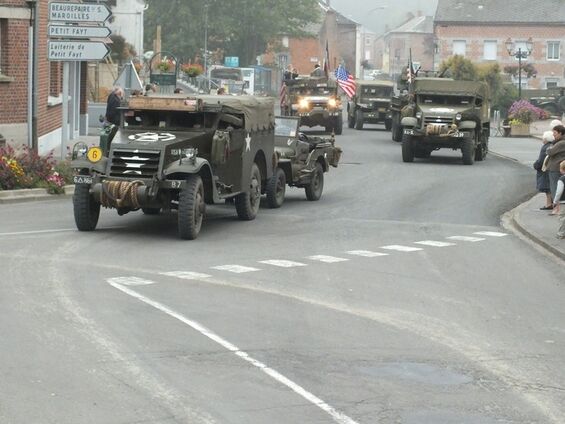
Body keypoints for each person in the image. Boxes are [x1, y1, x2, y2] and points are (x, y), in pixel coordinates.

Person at [533, 130, 554, 210]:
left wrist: (536, 165)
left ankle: (549, 204)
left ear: (546, 139)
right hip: (551, 168)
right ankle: (551, 203)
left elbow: (541, 160)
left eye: (543, 138)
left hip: (545, 170)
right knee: (550, 186)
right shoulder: (552, 145)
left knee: (546, 187)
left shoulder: (545, 147)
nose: (542, 139)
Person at [546, 125, 565, 203]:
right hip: (558, 167)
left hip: (555, 168)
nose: (553, 134)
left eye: (555, 133)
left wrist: (549, 146)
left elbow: (550, 152)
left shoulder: (561, 143)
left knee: (555, 188)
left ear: (560, 133)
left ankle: (556, 207)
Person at [553, 161, 565, 238]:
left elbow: (559, 192)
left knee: (562, 218)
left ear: (563, 169)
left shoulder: (562, 179)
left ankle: (561, 234)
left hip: (564, 202)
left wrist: (555, 201)